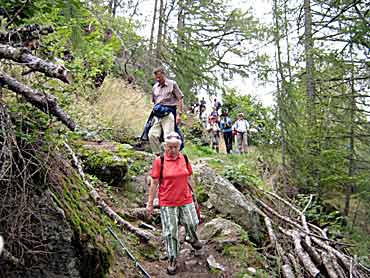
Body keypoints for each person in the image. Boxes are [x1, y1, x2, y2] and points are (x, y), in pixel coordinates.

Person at [147, 132, 202, 275]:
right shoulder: (160, 161)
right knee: (171, 231)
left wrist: (195, 196)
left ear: (180, 147)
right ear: (165, 146)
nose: (172, 150)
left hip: (186, 198)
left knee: (192, 222)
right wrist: (150, 203)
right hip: (167, 201)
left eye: (175, 147)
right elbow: (154, 183)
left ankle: (191, 238)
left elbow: (189, 177)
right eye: (169, 147)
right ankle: (172, 258)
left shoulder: (184, 158)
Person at [147, 67, 184, 155]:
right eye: (156, 77)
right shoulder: (155, 87)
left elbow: (180, 98)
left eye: (159, 77)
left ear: (164, 74)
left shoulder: (172, 84)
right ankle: (158, 156)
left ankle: (171, 157)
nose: (158, 79)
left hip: (168, 114)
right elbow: (154, 101)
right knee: (151, 135)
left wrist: (179, 115)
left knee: (168, 137)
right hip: (157, 115)